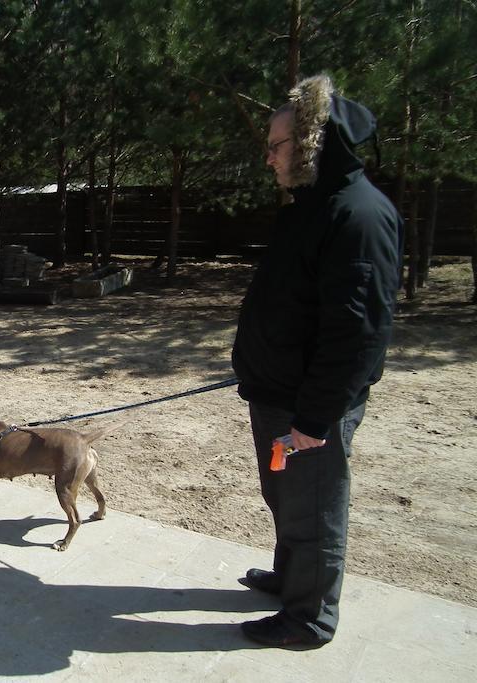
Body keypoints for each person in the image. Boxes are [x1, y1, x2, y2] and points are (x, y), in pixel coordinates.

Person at [231, 75, 404, 648]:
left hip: (309, 406)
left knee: (314, 507)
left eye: (277, 144)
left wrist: (314, 418)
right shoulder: (312, 207)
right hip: (279, 392)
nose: (269, 156)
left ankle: (309, 619)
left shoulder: (358, 215)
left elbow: (358, 333)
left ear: (312, 144)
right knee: (286, 497)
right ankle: (291, 580)